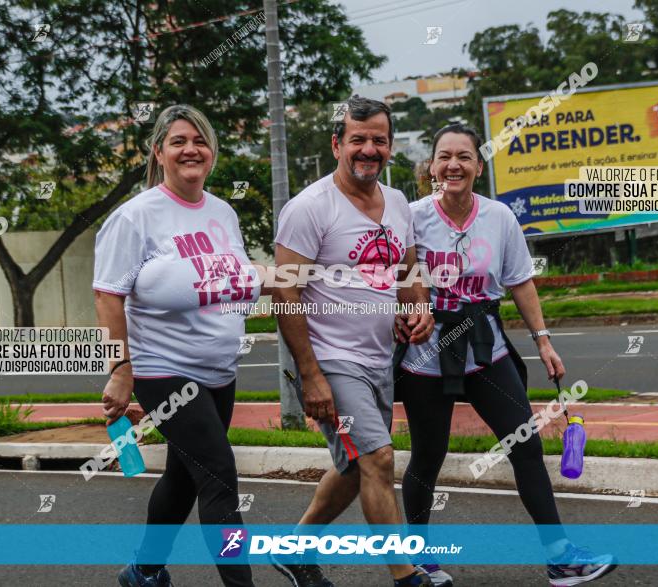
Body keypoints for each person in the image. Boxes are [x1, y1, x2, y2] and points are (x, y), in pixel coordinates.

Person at [394, 124, 618, 587]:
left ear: (479, 164)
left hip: (485, 349)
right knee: (428, 454)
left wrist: (543, 341)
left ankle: (560, 558)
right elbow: (394, 276)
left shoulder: (499, 217)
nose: (453, 164)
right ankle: (418, 558)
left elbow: (520, 281)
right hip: (426, 354)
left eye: (464, 156)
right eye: (444, 156)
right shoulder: (411, 216)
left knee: (526, 445)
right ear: (431, 166)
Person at [93, 104, 265, 587]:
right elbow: (108, 294)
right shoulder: (135, 217)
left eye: (200, 140)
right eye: (178, 141)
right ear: (159, 153)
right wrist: (121, 369)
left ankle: (144, 570)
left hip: (219, 372)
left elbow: (230, 281)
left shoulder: (223, 212)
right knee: (219, 476)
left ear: (212, 153)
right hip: (161, 369)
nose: (191, 149)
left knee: (184, 476)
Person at [272, 95, 435, 587]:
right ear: (337, 143)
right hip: (331, 362)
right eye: (358, 139)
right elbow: (285, 290)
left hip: (378, 360)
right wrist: (311, 375)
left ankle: (295, 550)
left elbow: (408, 269)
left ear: (389, 147)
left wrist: (418, 305)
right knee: (380, 458)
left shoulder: (400, 203)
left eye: (378, 141)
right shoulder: (309, 208)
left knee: (355, 467)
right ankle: (408, 576)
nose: (368, 149)